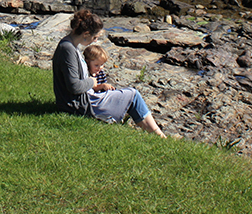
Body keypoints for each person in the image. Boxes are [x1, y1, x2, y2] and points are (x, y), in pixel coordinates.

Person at [52, 9, 166, 137]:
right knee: (133, 95)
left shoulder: (71, 46)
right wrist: (91, 81)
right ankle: (159, 136)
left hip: (82, 101)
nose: (95, 41)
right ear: (86, 34)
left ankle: (155, 133)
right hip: (81, 106)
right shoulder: (68, 49)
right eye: (94, 37)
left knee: (126, 95)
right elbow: (74, 86)